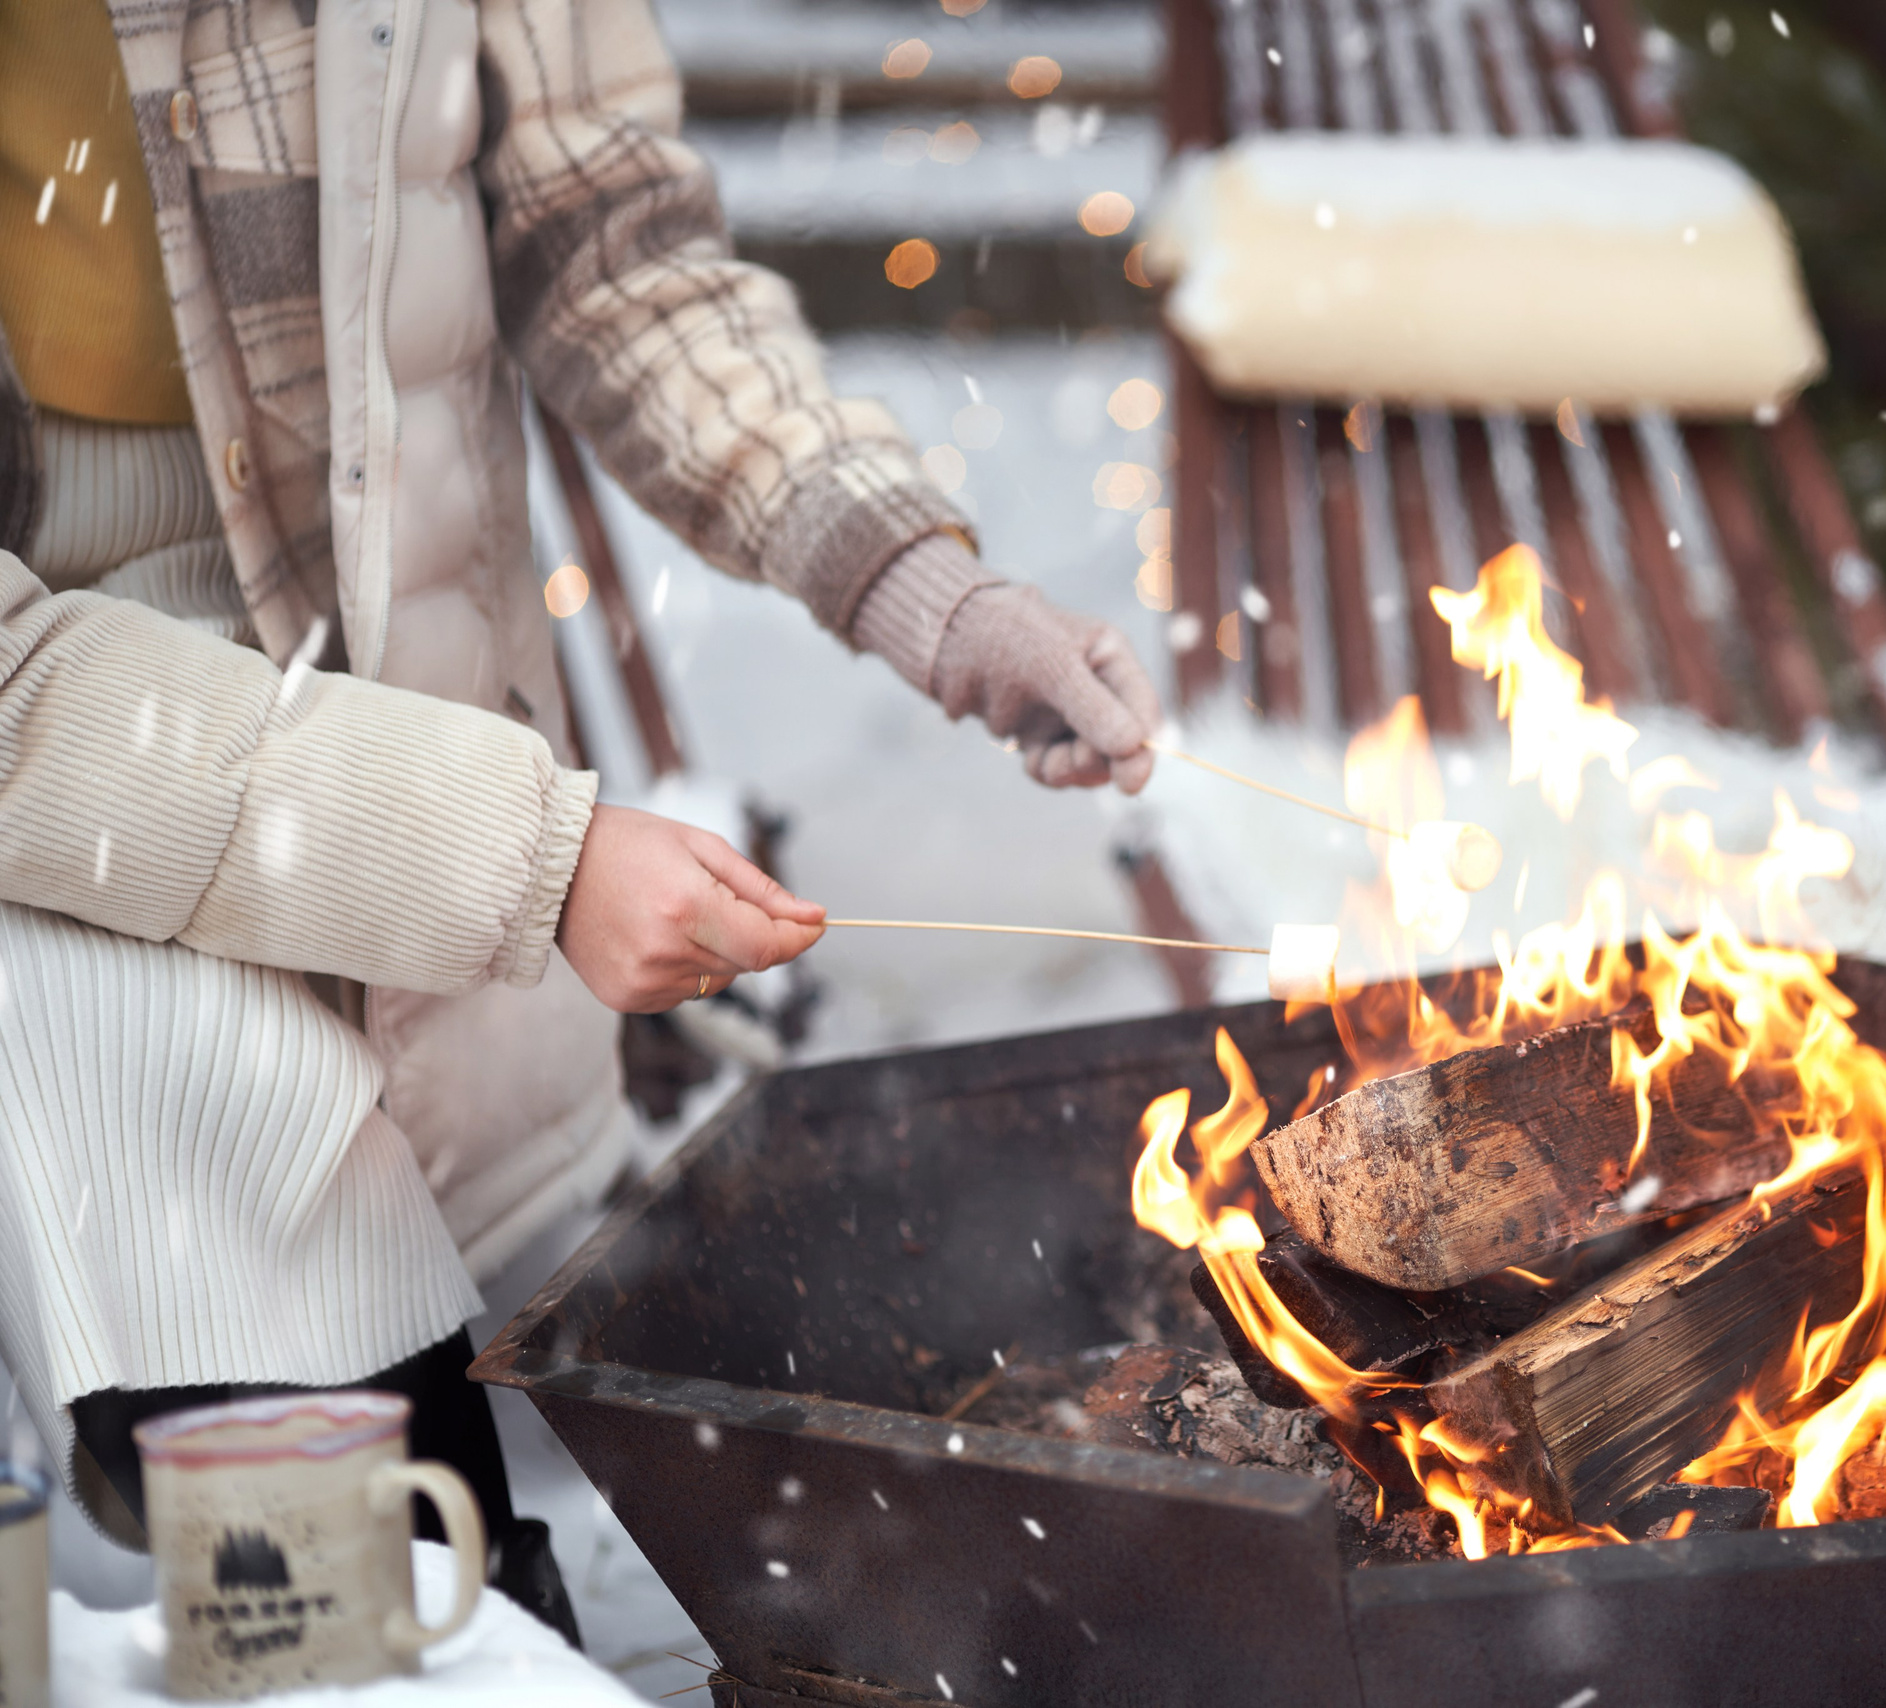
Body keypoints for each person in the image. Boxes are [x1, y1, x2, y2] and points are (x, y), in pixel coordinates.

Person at [0, 0, 1161, 1642]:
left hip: (389, 659)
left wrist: (921, 583)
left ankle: (449, 1629)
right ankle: (381, 1648)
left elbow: (611, 243)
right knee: (198, 1090)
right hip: (50, 720)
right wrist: (522, 861)